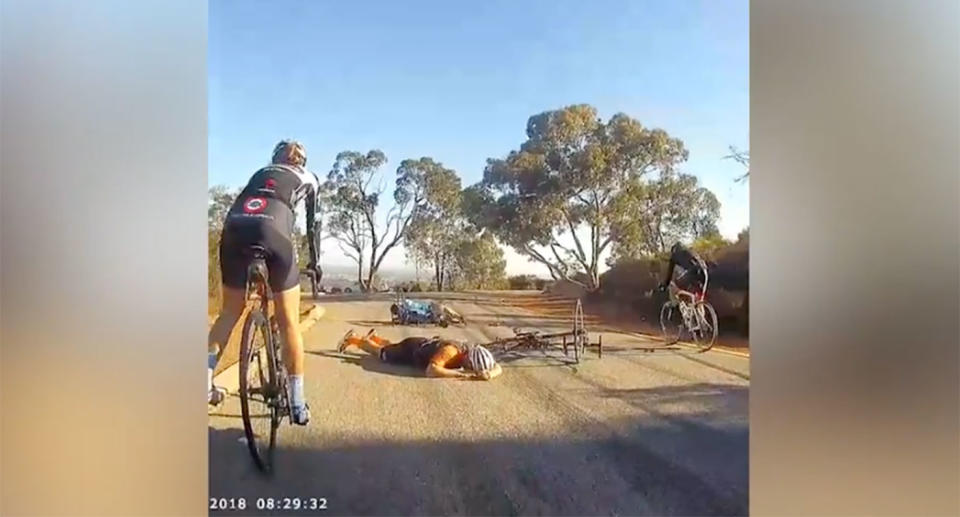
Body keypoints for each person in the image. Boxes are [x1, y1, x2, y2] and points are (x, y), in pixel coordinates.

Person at [208, 140, 321, 425]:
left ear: (275, 158)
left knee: (230, 313)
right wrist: (314, 262)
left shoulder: (260, 172)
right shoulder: (309, 178)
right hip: (274, 232)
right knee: (288, 322)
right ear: (302, 162)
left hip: (235, 228)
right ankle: (297, 403)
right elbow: (312, 225)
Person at [337, 329, 502, 380]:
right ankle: (353, 339)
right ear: (468, 360)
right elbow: (431, 371)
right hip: (412, 350)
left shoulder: (475, 350)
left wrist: (490, 374)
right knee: (380, 353)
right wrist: (461, 374)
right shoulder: (450, 352)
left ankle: (375, 337)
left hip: (423, 344)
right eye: (469, 367)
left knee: (392, 346)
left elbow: (498, 367)